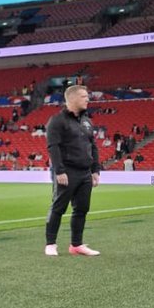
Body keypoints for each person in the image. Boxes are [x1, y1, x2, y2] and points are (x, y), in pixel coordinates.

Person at [44, 83, 101, 256]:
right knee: (58, 207)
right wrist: (59, 171)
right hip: (67, 171)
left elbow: (93, 146)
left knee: (82, 209)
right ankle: (51, 244)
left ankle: (76, 245)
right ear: (73, 98)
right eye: (84, 96)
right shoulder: (57, 121)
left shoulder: (86, 121)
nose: (88, 99)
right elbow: (53, 147)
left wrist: (95, 170)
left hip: (85, 172)